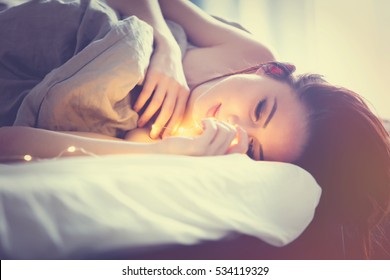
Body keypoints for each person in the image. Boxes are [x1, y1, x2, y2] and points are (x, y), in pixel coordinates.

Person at [0, 0, 389, 259]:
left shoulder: (148, 139)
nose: (233, 124)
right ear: (271, 73)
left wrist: (158, 153)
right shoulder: (247, 57)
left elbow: (11, 143)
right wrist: (163, 48)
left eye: (253, 150)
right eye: (260, 108)